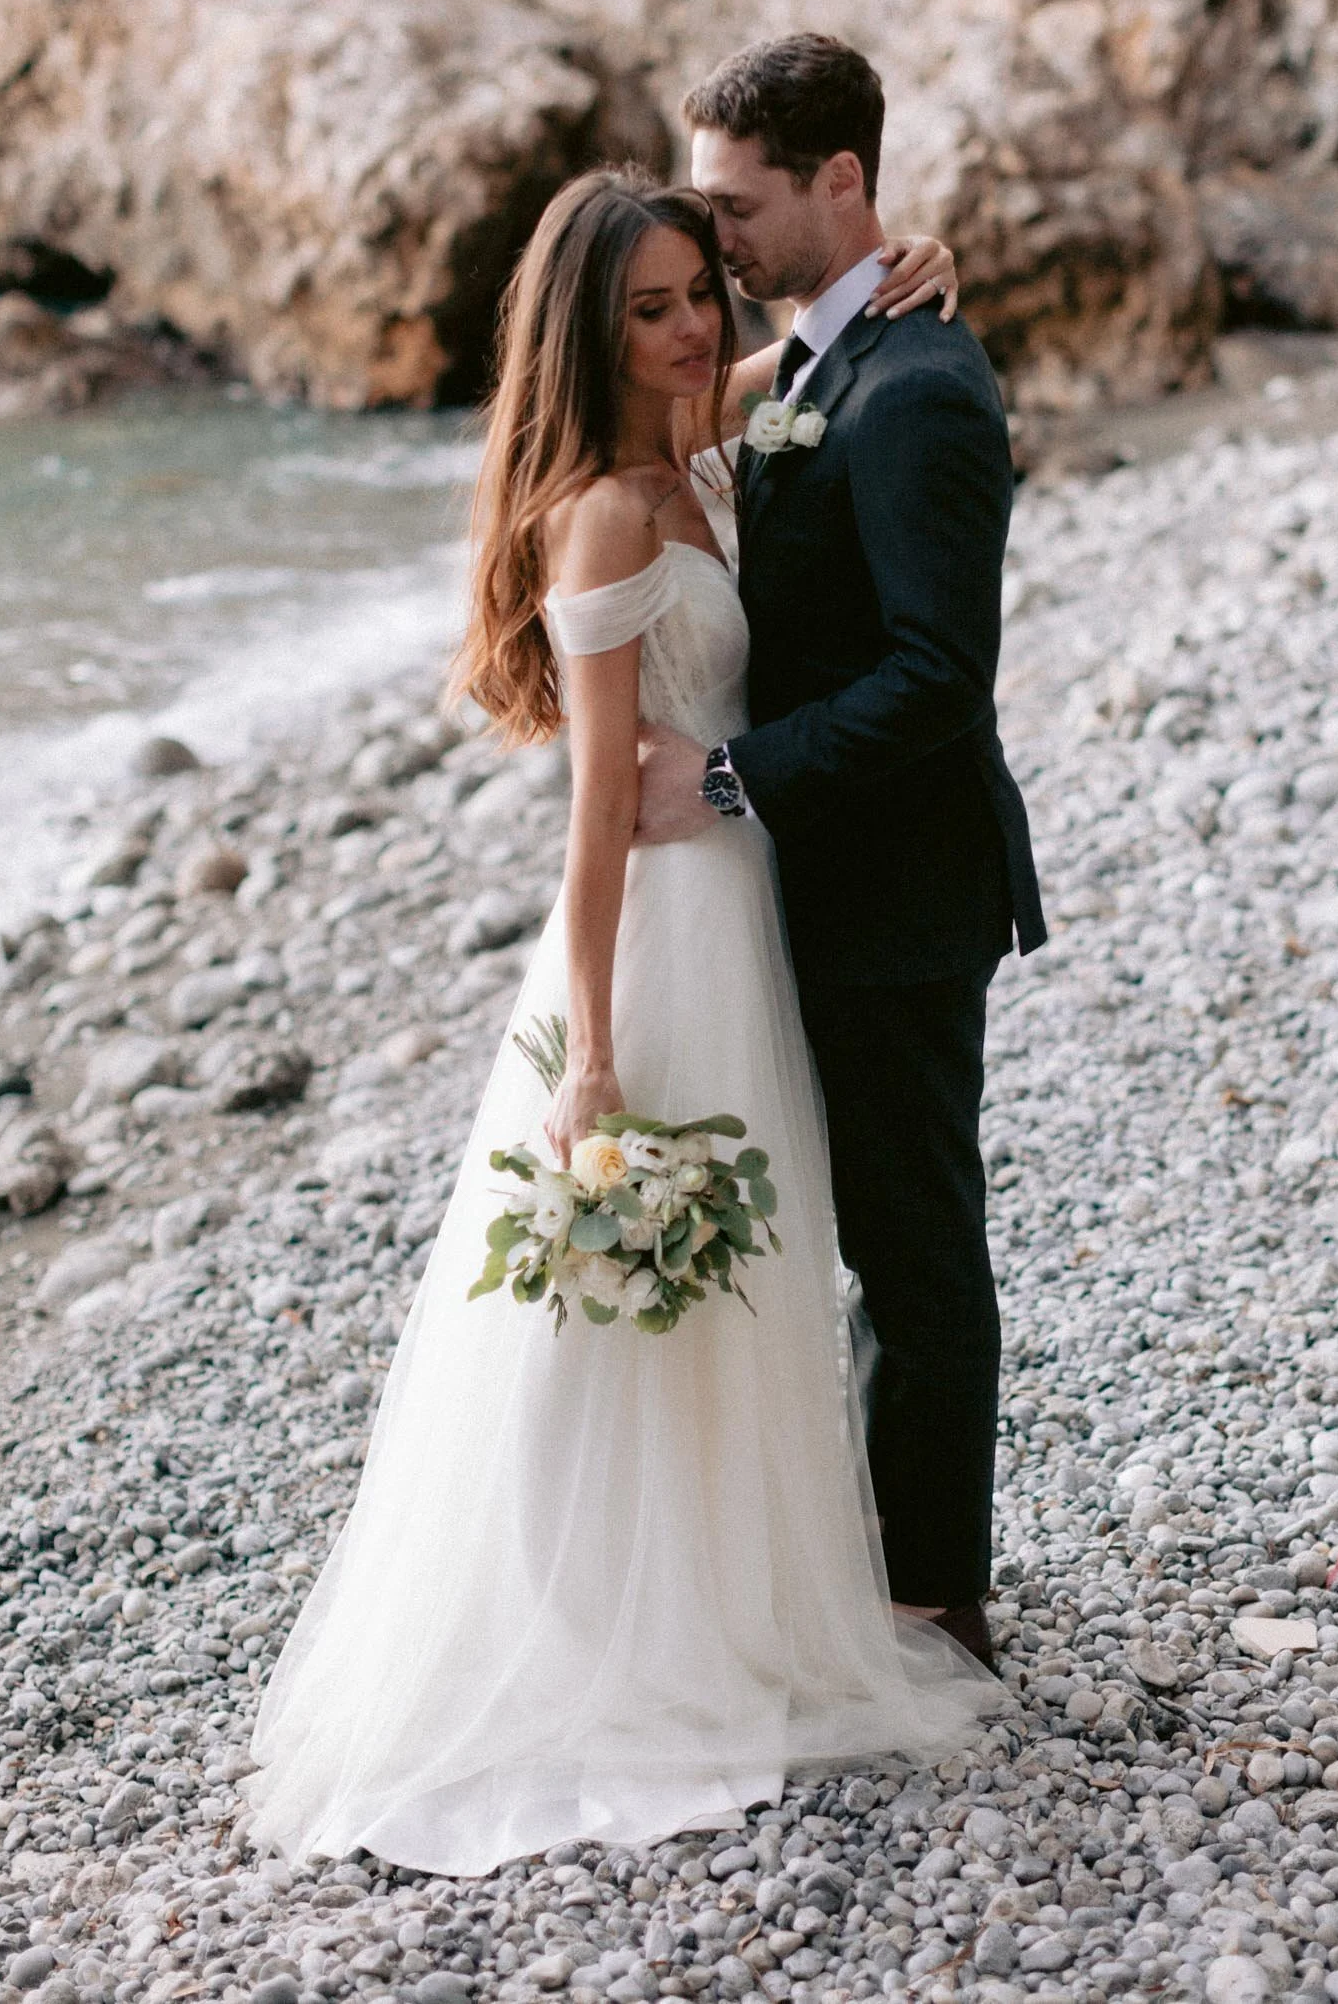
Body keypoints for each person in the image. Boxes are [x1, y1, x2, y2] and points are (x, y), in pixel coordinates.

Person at [241, 169, 1001, 1879]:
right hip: (654, 939)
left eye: (693, 294)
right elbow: (591, 814)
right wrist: (587, 1053)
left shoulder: (697, 441)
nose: (687, 325)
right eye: (647, 307)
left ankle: (734, 1590)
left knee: (745, 1281)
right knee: (624, 1303)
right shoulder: (600, 510)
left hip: (746, 920)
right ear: (587, 333)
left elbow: (798, 362)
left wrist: (907, 265)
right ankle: (599, 1634)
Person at [635, 35, 1046, 1669]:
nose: (714, 236)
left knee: (914, 1241)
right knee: (855, 1227)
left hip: (896, 894)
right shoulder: (822, 356)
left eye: (738, 206)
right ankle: (859, 1548)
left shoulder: (922, 384)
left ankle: (932, 1599)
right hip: (818, 884)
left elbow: (939, 679)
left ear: (841, 186)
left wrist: (728, 778)